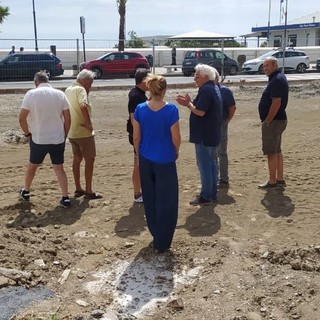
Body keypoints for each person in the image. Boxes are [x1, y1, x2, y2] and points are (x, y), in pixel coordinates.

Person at [132, 74, 181, 253]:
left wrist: (138, 155)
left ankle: (155, 234)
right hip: (166, 159)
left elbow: (137, 136)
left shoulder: (140, 109)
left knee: (150, 198)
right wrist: (176, 151)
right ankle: (164, 240)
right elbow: (176, 137)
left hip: (146, 158)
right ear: (164, 89)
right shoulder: (171, 110)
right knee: (167, 200)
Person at [18, 71, 71, 208]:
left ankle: (27, 190)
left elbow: (22, 118)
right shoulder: (60, 94)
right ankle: (65, 197)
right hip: (57, 138)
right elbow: (67, 118)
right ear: (48, 80)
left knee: (32, 166)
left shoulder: (31, 94)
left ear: (36, 82)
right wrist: (64, 134)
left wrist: (27, 134)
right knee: (59, 168)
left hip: (38, 138)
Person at [177, 64, 222, 205]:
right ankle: (211, 193)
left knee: (205, 166)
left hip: (204, 135)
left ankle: (207, 195)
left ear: (204, 76)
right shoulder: (212, 88)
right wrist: (190, 102)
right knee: (211, 164)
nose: (194, 78)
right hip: (211, 133)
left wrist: (188, 105)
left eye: (197, 75)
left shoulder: (207, 90)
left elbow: (200, 111)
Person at [65, 69, 102, 200]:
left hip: (72, 131)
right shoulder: (81, 90)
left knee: (77, 159)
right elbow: (83, 106)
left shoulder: (68, 89)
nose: (90, 87)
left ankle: (78, 188)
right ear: (85, 80)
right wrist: (88, 124)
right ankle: (89, 190)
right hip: (83, 132)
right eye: (90, 83)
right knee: (89, 160)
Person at [258, 56, 288, 189]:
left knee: (271, 152)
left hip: (274, 121)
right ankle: (279, 178)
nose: (265, 68)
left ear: (275, 65)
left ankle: (272, 181)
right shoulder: (278, 78)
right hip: (278, 120)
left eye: (268, 65)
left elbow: (276, 102)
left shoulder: (276, 80)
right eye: (264, 66)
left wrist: (268, 120)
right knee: (277, 150)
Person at [127, 68, 149, 203]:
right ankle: (137, 193)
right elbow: (134, 119)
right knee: (138, 164)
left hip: (139, 134)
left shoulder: (139, 93)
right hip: (138, 135)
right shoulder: (136, 96)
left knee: (140, 164)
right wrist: (137, 139)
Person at [215, 72, 236, 188]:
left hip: (221, 123)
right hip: (212, 125)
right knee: (214, 153)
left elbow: (232, 108)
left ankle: (223, 178)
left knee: (221, 152)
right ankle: (216, 177)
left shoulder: (225, 91)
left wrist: (227, 121)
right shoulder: (207, 90)